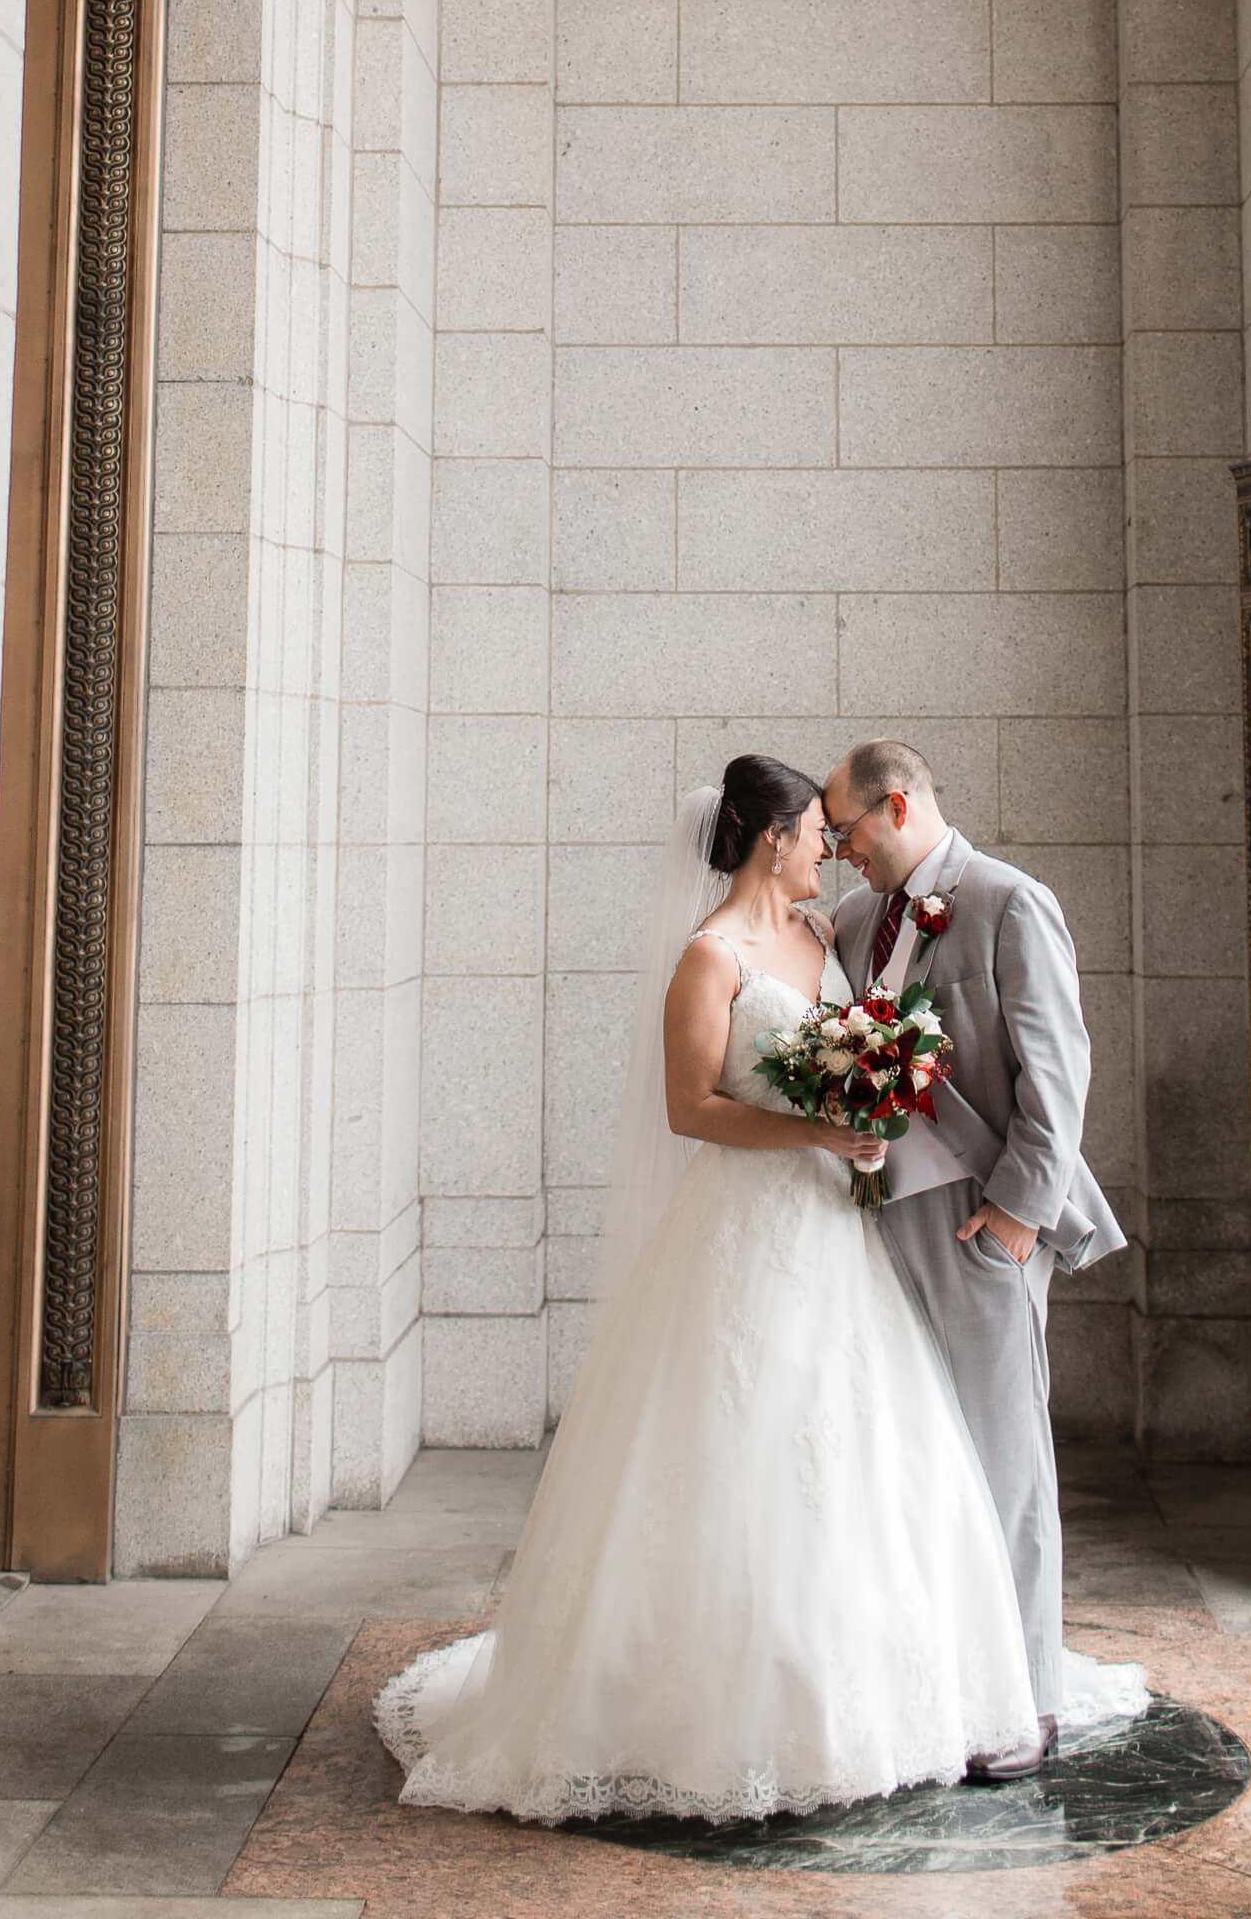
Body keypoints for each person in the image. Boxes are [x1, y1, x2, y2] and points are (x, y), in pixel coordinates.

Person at [371, 753, 1046, 1823]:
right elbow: (691, 1109)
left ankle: (865, 1685)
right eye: (815, 832)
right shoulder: (709, 956)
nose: (831, 844)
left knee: (856, 1450)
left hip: (835, 1226)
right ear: (772, 842)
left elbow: (865, 1046)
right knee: (731, 1441)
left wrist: (866, 1125)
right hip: (744, 1224)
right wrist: (819, 1127)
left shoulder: (825, 938)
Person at [822, 738, 1127, 1775]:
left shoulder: (1005, 902)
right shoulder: (857, 922)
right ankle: (935, 1684)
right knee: (914, 1467)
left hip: (979, 1223)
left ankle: (1022, 1706)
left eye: (846, 831)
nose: (834, 851)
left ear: (896, 806)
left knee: (1003, 1468)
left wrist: (1014, 1218)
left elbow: (1057, 1073)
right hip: (878, 1223)